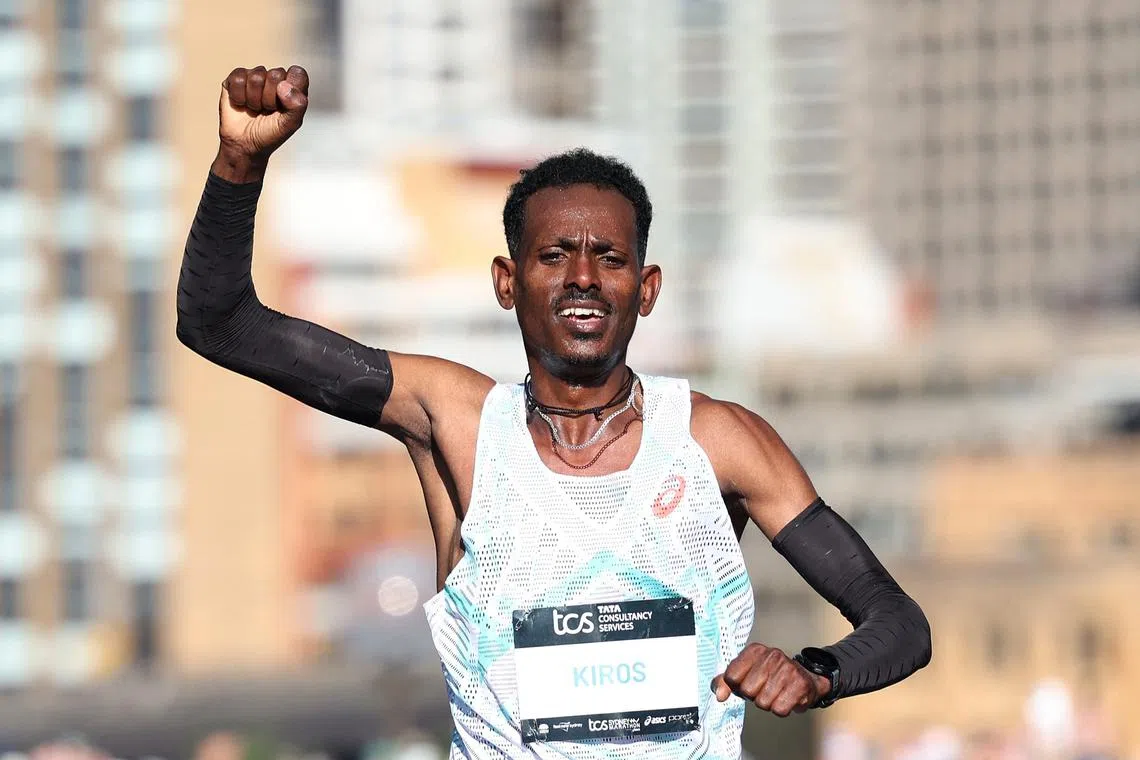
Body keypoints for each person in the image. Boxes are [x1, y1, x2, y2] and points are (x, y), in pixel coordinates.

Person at [177, 65, 931, 759]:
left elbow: (898, 622)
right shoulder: (458, 422)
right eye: (554, 256)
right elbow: (220, 324)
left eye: (611, 258)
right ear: (506, 282)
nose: (583, 278)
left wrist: (817, 672)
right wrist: (240, 164)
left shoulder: (715, 440)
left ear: (647, 288)